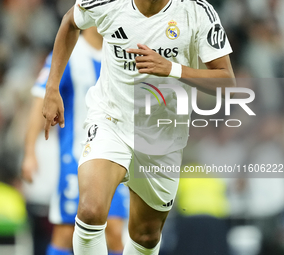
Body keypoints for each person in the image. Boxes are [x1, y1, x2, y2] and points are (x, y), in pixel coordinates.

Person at [43, 0, 235, 254]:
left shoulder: (197, 11)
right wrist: (52, 87)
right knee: (90, 211)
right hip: (111, 119)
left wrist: (172, 69)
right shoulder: (108, 2)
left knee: (146, 235)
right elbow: (70, 21)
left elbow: (227, 81)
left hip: (162, 134)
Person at [22, 27, 129, 255]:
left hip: (114, 157)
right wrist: (30, 152)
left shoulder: (120, 52)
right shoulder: (68, 53)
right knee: (65, 232)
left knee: (114, 231)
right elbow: (40, 99)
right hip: (76, 159)